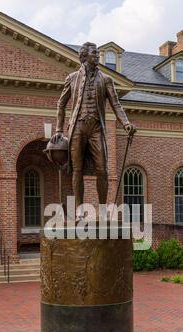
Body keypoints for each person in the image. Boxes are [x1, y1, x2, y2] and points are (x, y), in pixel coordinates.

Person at [50, 42, 135, 219]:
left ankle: (103, 210)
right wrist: (59, 128)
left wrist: (126, 123)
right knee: (77, 169)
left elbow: (116, 104)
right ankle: (80, 209)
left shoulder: (106, 80)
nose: (97, 56)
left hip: (97, 128)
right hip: (78, 127)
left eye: (97, 53)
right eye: (94, 53)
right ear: (84, 56)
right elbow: (61, 103)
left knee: (102, 169)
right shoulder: (72, 78)